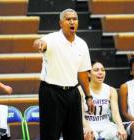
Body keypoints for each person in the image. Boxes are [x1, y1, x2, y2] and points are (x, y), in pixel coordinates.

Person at [32, 8, 94, 140]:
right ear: (61, 23)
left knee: (75, 136)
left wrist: (89, 96)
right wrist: (40, 44)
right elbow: (39, 42)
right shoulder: (52, 38)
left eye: (74, 19)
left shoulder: (82, 44)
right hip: (51, 92)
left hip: (73, 93)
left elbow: (83, 73)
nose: (72, 22)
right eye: (68, 19)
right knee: (50, 135)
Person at [84, 60, 127, 140]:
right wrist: (87, 127)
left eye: (102, 70)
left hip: (106, 125)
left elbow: (115, 114)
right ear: (89, 74)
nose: (100, 72)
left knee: (120, 135)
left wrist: (121, 127)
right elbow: (79, 115)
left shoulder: (111, 90)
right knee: (88, 136)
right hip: (88, 125)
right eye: (96, 70)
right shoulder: (81, 90)